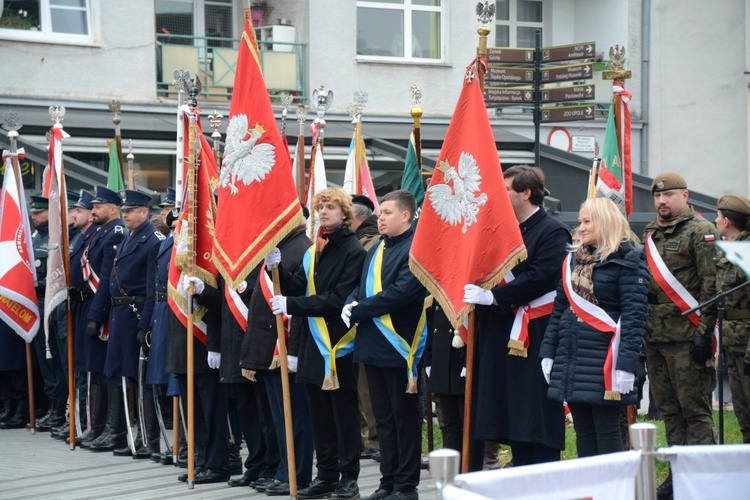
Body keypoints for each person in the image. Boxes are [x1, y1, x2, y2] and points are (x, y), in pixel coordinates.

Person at [463, 165, 569, 466]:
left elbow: (541, 276)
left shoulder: (552, 230)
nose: (499, 195)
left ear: (526, 193)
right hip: (501, 329)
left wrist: (494, 296)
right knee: (512, 410)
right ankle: (519, 464)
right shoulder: (503, 230)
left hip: (535, 331)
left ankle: (542, 471)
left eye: (506, 189)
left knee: (533, 407)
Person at [266, 187, 366, 500]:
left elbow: (337, 300)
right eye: (320, 207)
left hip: (338, 345)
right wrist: (277, 267)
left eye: (331, 207)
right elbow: (299, 286)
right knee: (319, 415)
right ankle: (325, 474)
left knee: (343, 416)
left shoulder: (354, 251)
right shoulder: (315, 249)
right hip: (312, 343)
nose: (323, 212)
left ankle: (348, 477)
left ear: (345, 213)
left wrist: (292, 305)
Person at [540, 197, 649, 457]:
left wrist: (624, 366)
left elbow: (634, 319)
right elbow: (560, 310)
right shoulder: (573, 262)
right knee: (583, 430)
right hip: (573, 358)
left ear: (605, 221)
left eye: (587, 221)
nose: (581, 227)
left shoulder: (629, 260)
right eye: (580, 222)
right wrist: (548, 351)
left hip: (605, 361)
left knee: (607, 430)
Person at [344, 189, 426, 500]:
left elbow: (402, 292)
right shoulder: (376, 250)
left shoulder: (415, 249)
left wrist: (358, 310)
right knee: (385, 420)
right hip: (372, 345)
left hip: (400, 347)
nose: (380, 218)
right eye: (379, 213)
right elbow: (359, 286)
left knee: (404, 420)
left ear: (406, 215)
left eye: (387, 213)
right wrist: (350, 303)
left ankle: (406, 486)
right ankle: (388, 481)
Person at [641, 173, 718, 500]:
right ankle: (678, 477)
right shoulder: (649, 232)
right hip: (655, 338)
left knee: (694, 412)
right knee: (670, 413)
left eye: (669, 195)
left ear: (684, 196)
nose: (662, 202)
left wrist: (705, 334)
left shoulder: (701, 232)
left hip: (688, 338)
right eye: (657, 197)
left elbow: (712, 287)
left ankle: (704, 480)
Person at [240, 216, 314, 495]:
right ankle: (284, 471)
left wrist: (293, 351)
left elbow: (298, 303)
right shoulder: (279, 248)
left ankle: (297, 474)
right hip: (270, 345)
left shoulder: (302, 249)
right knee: (279, 417)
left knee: (295, 417)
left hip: (285, 348)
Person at [98, 190, 164, 457]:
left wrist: (145, 325)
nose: (125, 215)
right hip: (121, 316)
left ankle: (149, 440)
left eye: (130, 210)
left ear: (145, 213)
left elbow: (152, 288)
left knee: (142, 379)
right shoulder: (129, 237)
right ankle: (127, 434)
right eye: (123, 211)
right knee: (123, 376)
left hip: (137, 314)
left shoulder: (152, 240)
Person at [82, 186, 126, 451]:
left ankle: (114, 430)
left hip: (107, 312)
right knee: (97, 371)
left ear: (113, 209)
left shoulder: (116, 232)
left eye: (97, 207)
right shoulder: (100, 232)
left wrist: (96, 315)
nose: (93, 211)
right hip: (94, 307)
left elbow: (108, 278)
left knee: (109, 373)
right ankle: (99, 427)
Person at [714, 195, 750, 443]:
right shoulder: (731, 250)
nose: (715, 220)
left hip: (746, 345)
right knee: (743, 412)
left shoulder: (746, 253)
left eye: (717, 216)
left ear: (726, 221)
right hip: (733, 342)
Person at [350, 194, 381, 460]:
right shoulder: (362, 240)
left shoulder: (370, 242)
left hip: (374, 323)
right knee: (361, 388)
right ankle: (367, 438)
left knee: (368, 388)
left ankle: (374, 440)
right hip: (358, 319)